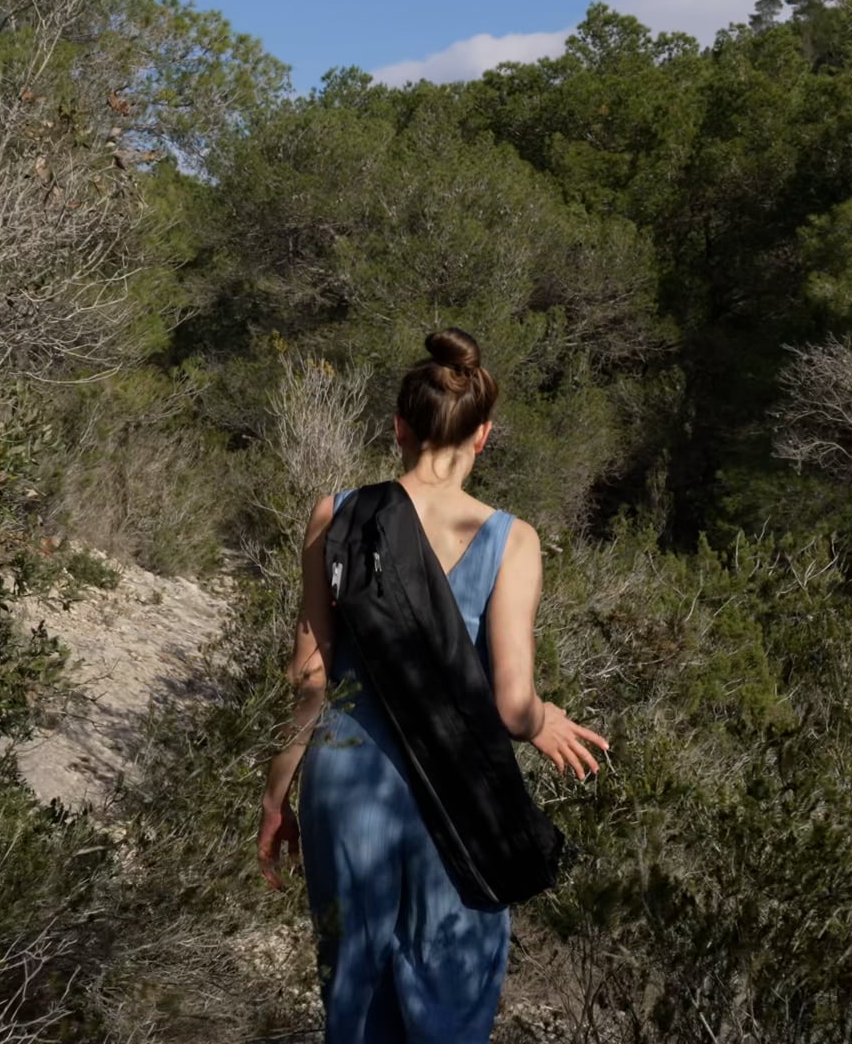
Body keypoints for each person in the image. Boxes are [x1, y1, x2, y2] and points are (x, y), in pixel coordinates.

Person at [255, 328, 610, 1043]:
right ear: (483, 436)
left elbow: (310, 675)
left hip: (346, 780)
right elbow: (512, 705)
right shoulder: (512, 539)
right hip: (456, 789)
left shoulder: (340, 514)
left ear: (398, 430)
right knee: (448, 991)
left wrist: (275, 795)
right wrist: (544, 722)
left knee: (354, 987)